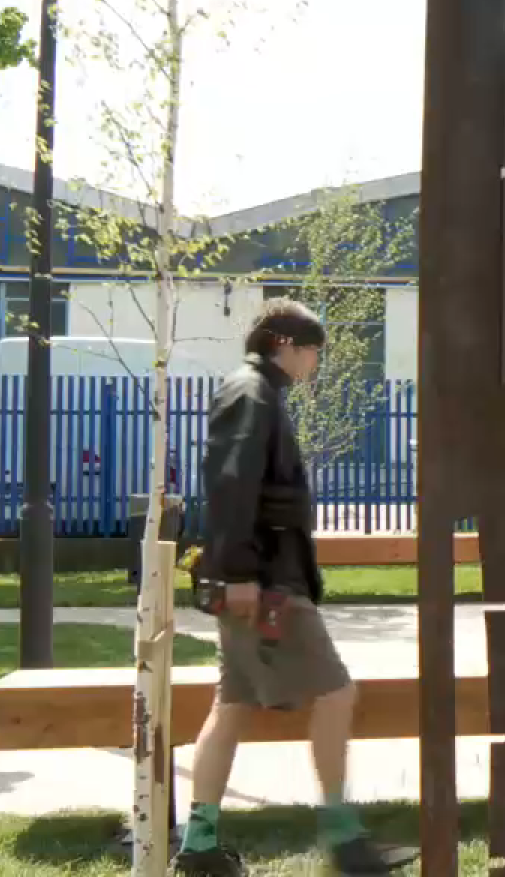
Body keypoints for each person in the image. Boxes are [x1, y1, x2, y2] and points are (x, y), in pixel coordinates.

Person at [175, 300, 414, 877]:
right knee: (336, 694)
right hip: (266, 583)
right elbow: (232, 483)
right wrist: (240, 573)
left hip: (257, 578)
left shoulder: (255, 391)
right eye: (312, 351)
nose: (315, 362)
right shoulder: (252, 393)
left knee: (232, 706)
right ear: (285, 343)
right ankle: (345, 840)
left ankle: (200, 847)